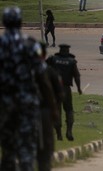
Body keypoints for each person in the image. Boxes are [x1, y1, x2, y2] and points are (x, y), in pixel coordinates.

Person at [0, 7, 57, 171]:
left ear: (4, 23)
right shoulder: (31, 46)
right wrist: (52, 107)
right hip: (27, 105)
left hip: (5, 105)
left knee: (8, 151)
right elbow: (42, 79)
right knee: (27, 151)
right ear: (20, 22)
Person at [46, 43, 82, 141]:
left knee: (57, 110)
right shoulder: (72, 62)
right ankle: (69, 131)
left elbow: (44, 70)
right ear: (68, 51)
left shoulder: (52, 59)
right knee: (69, 110)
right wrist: (79, 88)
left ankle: (58, 134)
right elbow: (77, 76)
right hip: (66, 89)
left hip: (54, 89)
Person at [37, 43, 62, 171]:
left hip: (24, 112)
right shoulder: (49, 71)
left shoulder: (22, 69)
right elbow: (58, 93)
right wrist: (55, 109)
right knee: (46, 142)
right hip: (44, 110)